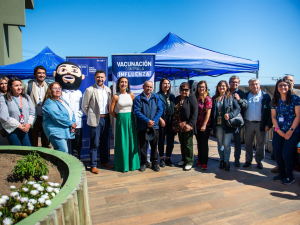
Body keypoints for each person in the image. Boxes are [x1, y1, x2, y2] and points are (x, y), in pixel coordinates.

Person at [82, 69, 113, 174]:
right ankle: (93, 165)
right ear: (95, 78)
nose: (100, 79)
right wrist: (91, 116)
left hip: (106, 118)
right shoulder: (90, 90)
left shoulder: (108, 90)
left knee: (104, 142)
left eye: (102, 77)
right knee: (95, 143)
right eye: (98, 77)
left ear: (105, 78)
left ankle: (104, 162)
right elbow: (84, 106)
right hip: (96, 119)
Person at [271, 78, 300, 185]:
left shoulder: (295, 99)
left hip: (294, 131)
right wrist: (278, 130)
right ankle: (282, 174)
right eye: (280, 85)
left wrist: (291, 130)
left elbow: (298, 116)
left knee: (286, 153)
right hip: (279, 131)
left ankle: (289, 176)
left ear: (289, 87)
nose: (283, 87)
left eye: (285, 85)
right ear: (277, 88)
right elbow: (273, 117)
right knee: (277, 152)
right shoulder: (275, 99)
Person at [55, 62, 85, 159]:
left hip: (77, 124)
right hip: (63, 124)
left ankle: (77, 163)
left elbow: (83, 107)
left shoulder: (79, 93)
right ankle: (66, 163)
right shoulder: (59, 93)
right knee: (64, 146)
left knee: (77, 145)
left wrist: (79, 115)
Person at [110, 77, 140, 172]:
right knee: (122, 143)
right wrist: (119, 118)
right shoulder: (116, 96)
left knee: (132, 141)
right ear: (118, 84)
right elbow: (111, 111)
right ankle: (123, 165)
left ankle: (132, 164)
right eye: (122, 82)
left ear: (128, 84)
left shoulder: (131, 95)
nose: (123, 83)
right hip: (121, 121)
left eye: (125, 82)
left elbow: (135, 108)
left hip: (131, 120)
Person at [134, 81, 163, 172]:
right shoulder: (138, 98)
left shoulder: (156, 97)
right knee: (142, 145)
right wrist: (147, 121)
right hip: (143, 126)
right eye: (147, 87)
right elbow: (137, 112)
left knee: (154, 145)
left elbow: (160, 110)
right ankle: (144, 162)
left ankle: (155, 162)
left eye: (151, 87)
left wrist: (153, 121)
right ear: (143, 87)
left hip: (154, 126)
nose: (149, 89)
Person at [212, 80, 241, 171]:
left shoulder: (230, 97)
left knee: (226, 144)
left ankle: (227, 161)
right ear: (217, 88)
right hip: (218, 125)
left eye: (224, 86)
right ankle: (222, 160)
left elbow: (238, 109)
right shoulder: (214, 98)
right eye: (220, 86)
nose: (222, 87)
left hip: (228, 124)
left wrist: (230, 115)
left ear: (227, 87)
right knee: (220, 143)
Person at [243, 78, 272, 169]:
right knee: (248, 143)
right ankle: (248, 160)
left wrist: (268, 124)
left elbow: (271, 112)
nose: (254, 86)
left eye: (256, 84)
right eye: (252, 84)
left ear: (259, 85)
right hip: (249, 123)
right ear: (249, 86)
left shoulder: (266, 96)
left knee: (261, 144)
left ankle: (259, 161)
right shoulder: (246, 95)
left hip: (261, 124)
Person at [0, 77, 35, 146]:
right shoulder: (3, 98)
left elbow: (32, 112)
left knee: (29, 150)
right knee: (17, 152)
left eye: (20, 85)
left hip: (26, 129)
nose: (19, 88)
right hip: (13, 130)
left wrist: (28, 124)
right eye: (16, 86)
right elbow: (3, 116)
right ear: (10, 87)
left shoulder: (26, 97)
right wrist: (19, 125)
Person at [42, 82, 76, 153]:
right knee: (63, 151)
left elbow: (71, 112)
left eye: (59, 88)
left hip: (64, 130)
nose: (58, 90)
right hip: (56, 131)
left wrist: (73, 124)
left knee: (62, 152)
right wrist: (70, 123)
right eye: (55, 88)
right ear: (50, 90)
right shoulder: (49, 102)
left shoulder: (62, 100)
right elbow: (58, 117)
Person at [24, 65, 51, 148]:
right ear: (35, 74)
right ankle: (34, 159)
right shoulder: (28, 85)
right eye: (39, 73)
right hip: (33, 117)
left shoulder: (49, 86)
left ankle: (46, 159)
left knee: (46, 142)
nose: (41, 75)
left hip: (46, 117)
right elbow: (24, 100)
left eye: (43, 73)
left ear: (45, 75)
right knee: (33, 142)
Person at [173, 82, 198, 171]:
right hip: (179, 125)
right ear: (179, 90)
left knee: (188, 144)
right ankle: (184, 159)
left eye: (186, 89)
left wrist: (190, 124)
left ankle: (189, 161)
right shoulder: (177, 99)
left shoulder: (191, 98)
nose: (184, 91)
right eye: (182, 89)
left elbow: (195, 113)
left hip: (187, 125)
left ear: (189, 90)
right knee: (182, 143)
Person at [229, 75, 248, 167]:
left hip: (237, 121)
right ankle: (225, 159)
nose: (234, 83)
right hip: (227, 121)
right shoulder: (226, 92)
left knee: (237, 141)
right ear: (229, 83)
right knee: (226, 142)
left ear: (239, 83)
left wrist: (239, 99)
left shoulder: (241, 93)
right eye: (232, 82)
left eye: (236, 82)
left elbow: (245, 106)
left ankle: (237, 160)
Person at [157, 78, 176, 167]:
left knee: (170, 141)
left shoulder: (172, 96)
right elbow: (155, 109)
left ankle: (168, 158)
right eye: (165, 83)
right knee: (161, 140)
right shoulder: (157, 96)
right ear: (161, 85)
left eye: (168, 83)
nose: (167, 85)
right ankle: (161, 158)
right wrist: (160, 119)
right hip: (162, 119)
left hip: (171, 120)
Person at [194, 81, 212, 170]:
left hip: (204, 125)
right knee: (199, 143)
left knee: (204, 143)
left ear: (205, 88)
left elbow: (208, 113)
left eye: (203, 87)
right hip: (196, 125)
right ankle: (200, 159)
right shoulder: (195, 98)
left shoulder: (207, 99)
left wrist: (204, 125)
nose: (201, 88)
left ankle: (205, 161)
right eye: (200, 86)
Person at [0, 77, 9, 144]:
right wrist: (1, 128)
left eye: (5, 83)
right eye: (1, 84)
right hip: (2, 124)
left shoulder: (13, 95)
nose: (4, 85)